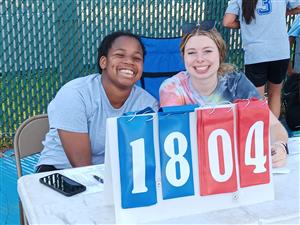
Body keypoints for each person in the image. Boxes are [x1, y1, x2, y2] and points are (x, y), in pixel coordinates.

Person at [159, 22, 288, 167]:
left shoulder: (235, 83)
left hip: (235, 163)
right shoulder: (172, 88)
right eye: (191, 52)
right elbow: (172, 140)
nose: (199, 58)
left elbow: (272, 124)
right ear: (183, 57)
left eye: (207, 51)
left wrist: (280, 146)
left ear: (220, 54)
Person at [36, 31, 158, 172]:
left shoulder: (148, 104)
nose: (129, 62)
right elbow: (82, 166)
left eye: (137, 58)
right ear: (103, 62)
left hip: (113, 176)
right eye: (119, 55)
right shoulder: (75, 94)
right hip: (61, 173)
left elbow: (142, 157)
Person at [223, 0, 300, 118]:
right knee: (275, 94)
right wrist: (281, 13)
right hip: (280, 52)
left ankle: (260, 131)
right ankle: (273, 131)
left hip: (256, 54)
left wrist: (245, 24)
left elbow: (227, 22)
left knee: (257, 99)